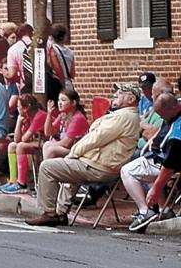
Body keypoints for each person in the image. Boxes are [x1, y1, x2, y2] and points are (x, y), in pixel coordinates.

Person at [26, 83, 142, 226]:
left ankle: (50, 213)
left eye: (121, 92)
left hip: (98, 167)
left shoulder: (123, 116)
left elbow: (95, 138)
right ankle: (60, 213)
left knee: (47, 167)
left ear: (131, 99)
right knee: (69, 168)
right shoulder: (125, 115)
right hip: (98, 164)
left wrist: (74, 153)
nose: (116, 94)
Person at [122, 92, 181, 232]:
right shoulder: (176, 106)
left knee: (127, 171)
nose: (160, 117)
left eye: (161, 114)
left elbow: (168, 167)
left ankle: (144, 211)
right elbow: (165, 124)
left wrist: (155, 189)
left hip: (165, 162)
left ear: (172, 108)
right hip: (161, 156)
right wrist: (153, 138)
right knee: (145, 170)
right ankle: (164, 209)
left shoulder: (176, 136)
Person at [0, 94, 48, 194]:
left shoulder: (39, 116)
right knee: (12, 146)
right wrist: (19, 123)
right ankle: (13, 180)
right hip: (34, 142)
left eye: (19, 106)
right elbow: (16, 139)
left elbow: (24, 139)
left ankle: (21, 183)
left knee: (21, 147)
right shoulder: (26, 116)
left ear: (26, 108)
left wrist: (21, 123)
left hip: (45, 143)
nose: (17, 109)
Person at [42, 89, 89, 161]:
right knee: (47, 145)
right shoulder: (63, 115)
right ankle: (49, 171)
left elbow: (66, 143)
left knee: (50, 149)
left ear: (73, 103)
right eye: (59, 100)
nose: (59, 103)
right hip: (68, 148)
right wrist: (49, 114)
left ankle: (49, 171)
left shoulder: (77, 118)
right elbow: (48, 132)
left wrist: (53, 144)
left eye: (63, 100)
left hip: (77, 151)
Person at [44, 22, 74, 101]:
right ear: (65, 36)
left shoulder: (52, 50)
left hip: (58, 85)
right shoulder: (70, 52)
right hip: (69, 84)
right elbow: (72, 73)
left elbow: (57, 69)